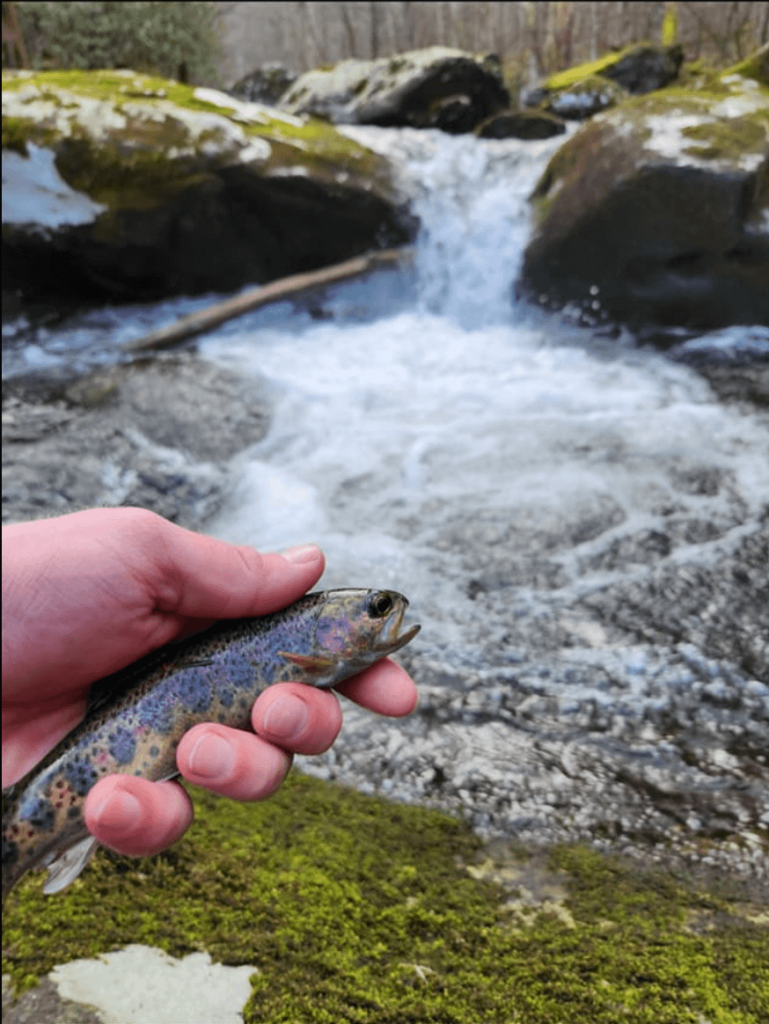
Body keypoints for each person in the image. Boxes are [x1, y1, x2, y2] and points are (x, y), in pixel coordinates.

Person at [2, 507, 417, 858]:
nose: (388, 611)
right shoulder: (312, 655)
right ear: (326, 626)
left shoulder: (317, 655)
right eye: (378, 608)